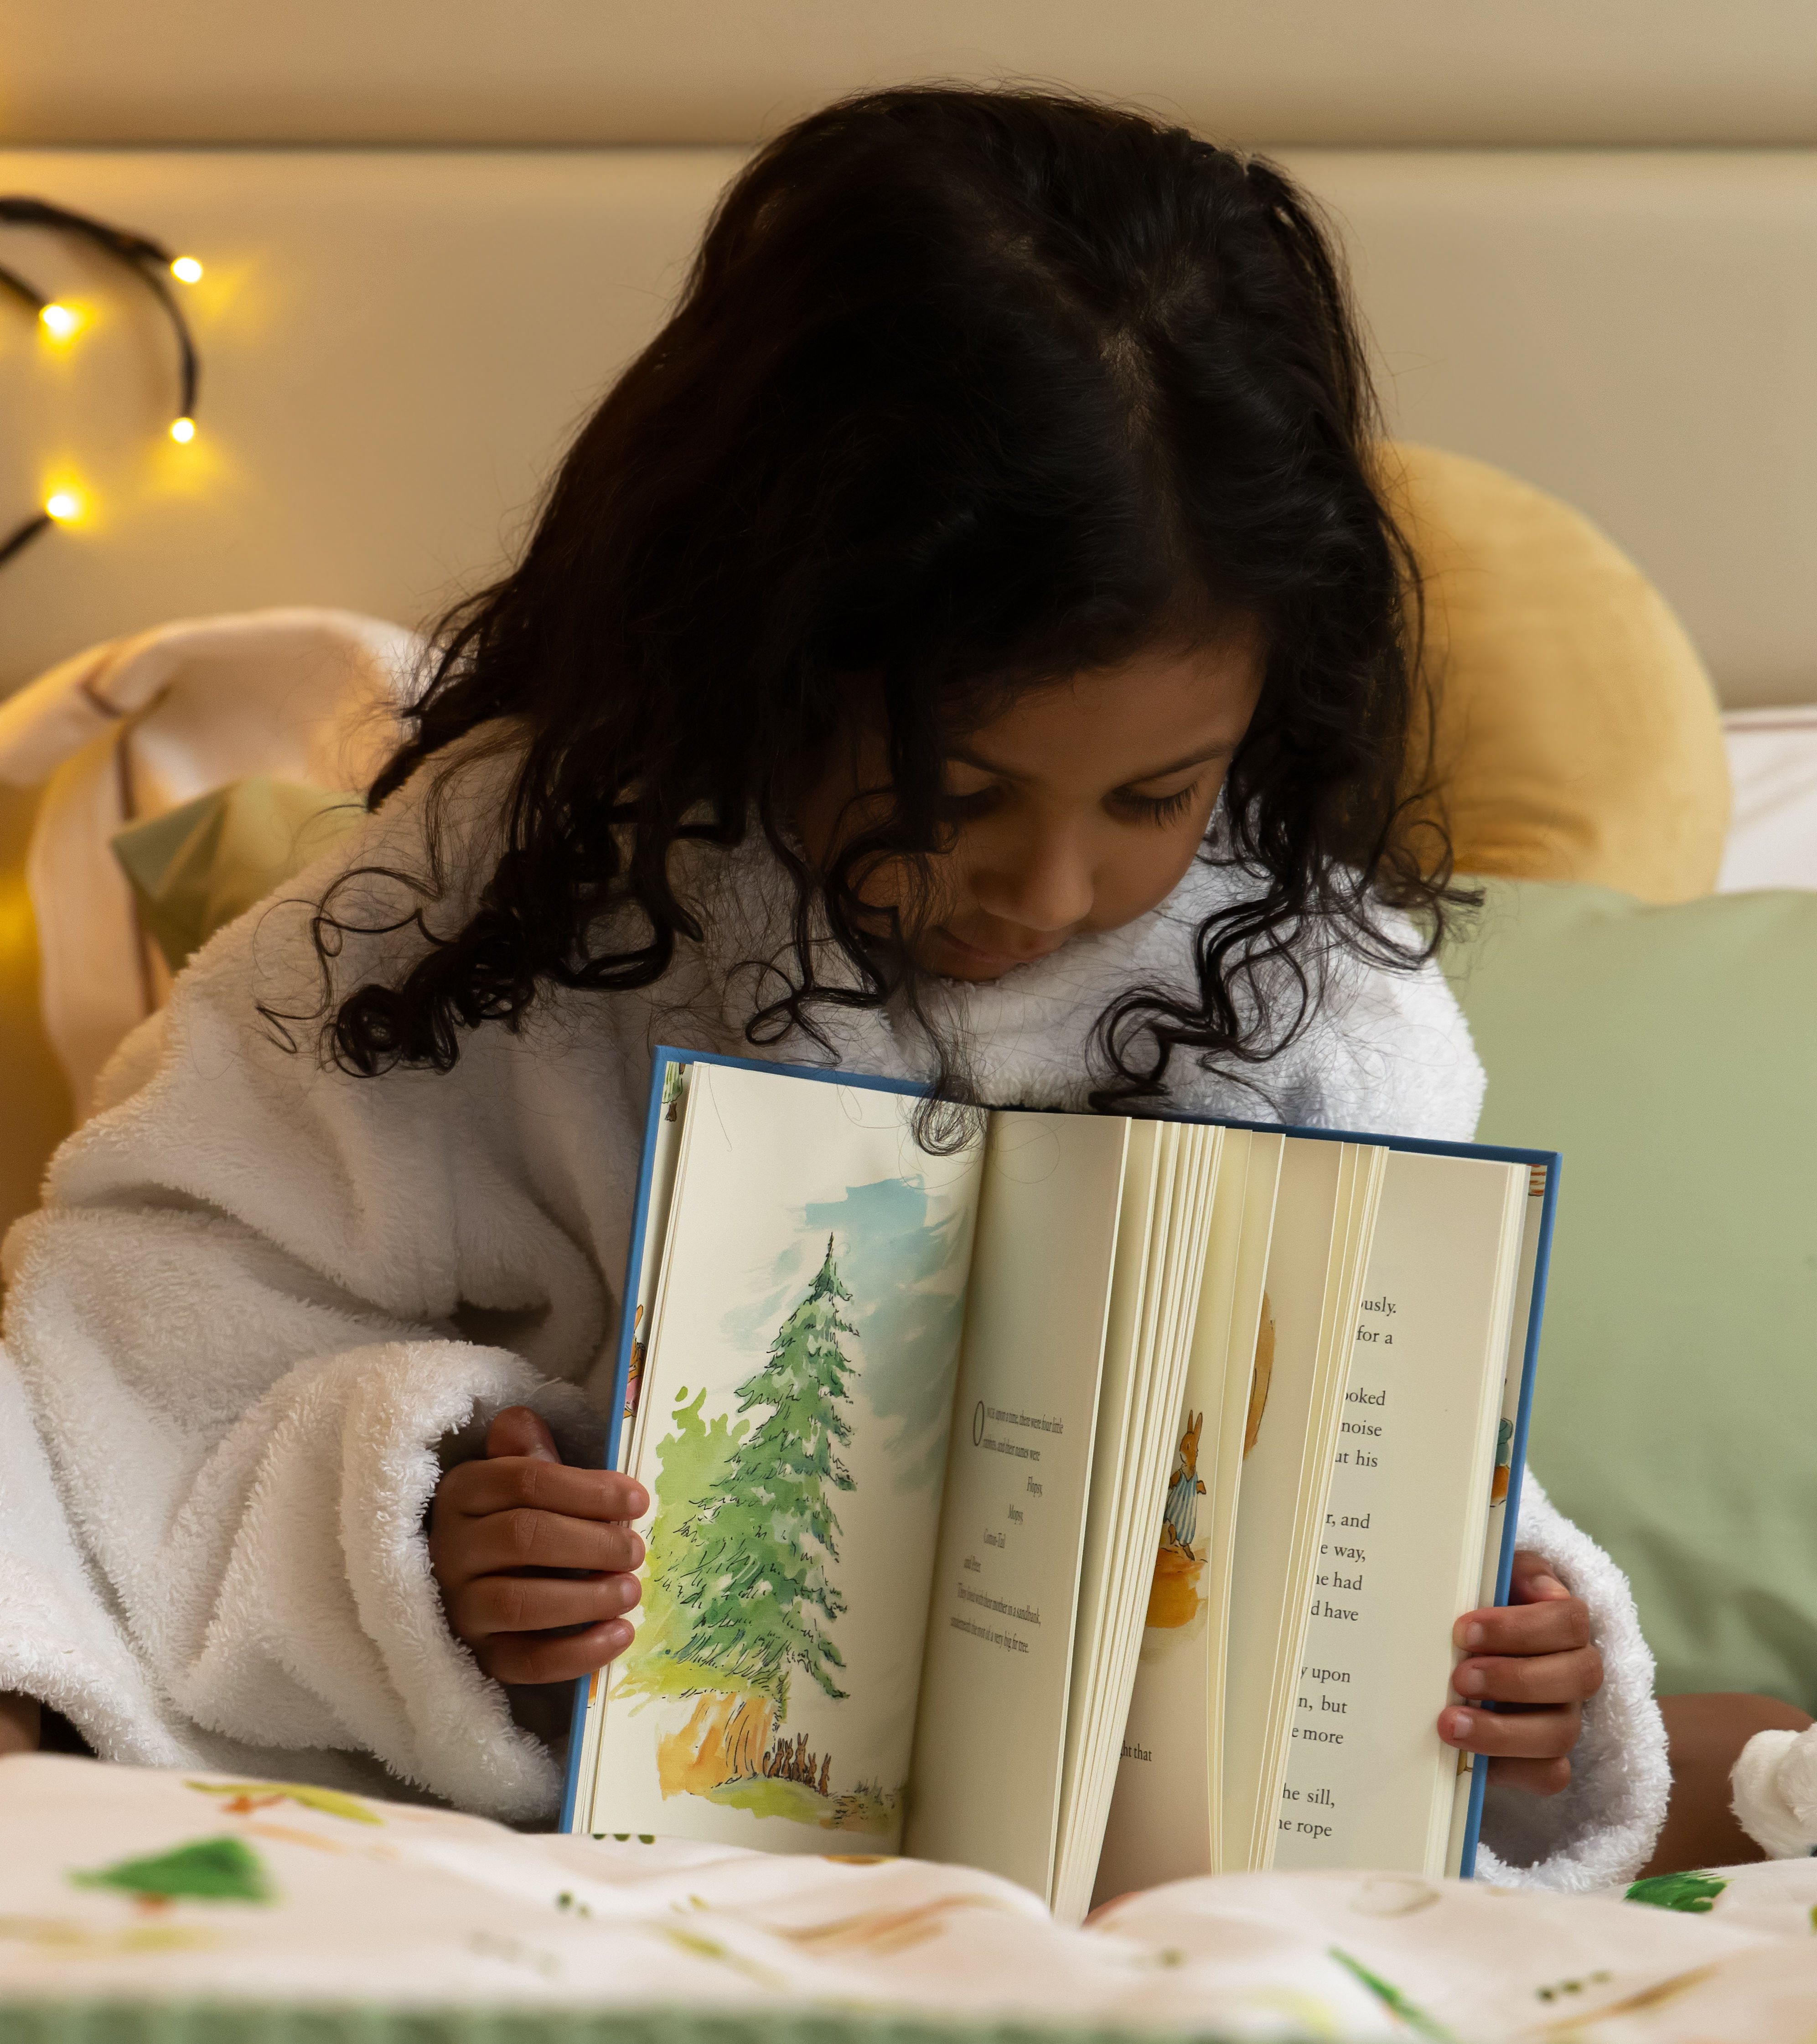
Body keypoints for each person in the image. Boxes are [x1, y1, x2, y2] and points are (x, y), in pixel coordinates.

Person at [0, 88, 1665, 1886]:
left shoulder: (1312, 990)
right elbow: (135, 1331)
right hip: (561, 1830)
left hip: (1155, 1878)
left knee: (1679, 1747)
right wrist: (415, 1527)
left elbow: (1384, 1469)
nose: (1047, 887)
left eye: (1151, 797)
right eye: (955, 795)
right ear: (767, 645)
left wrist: (1517, 1671)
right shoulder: (505, 892)